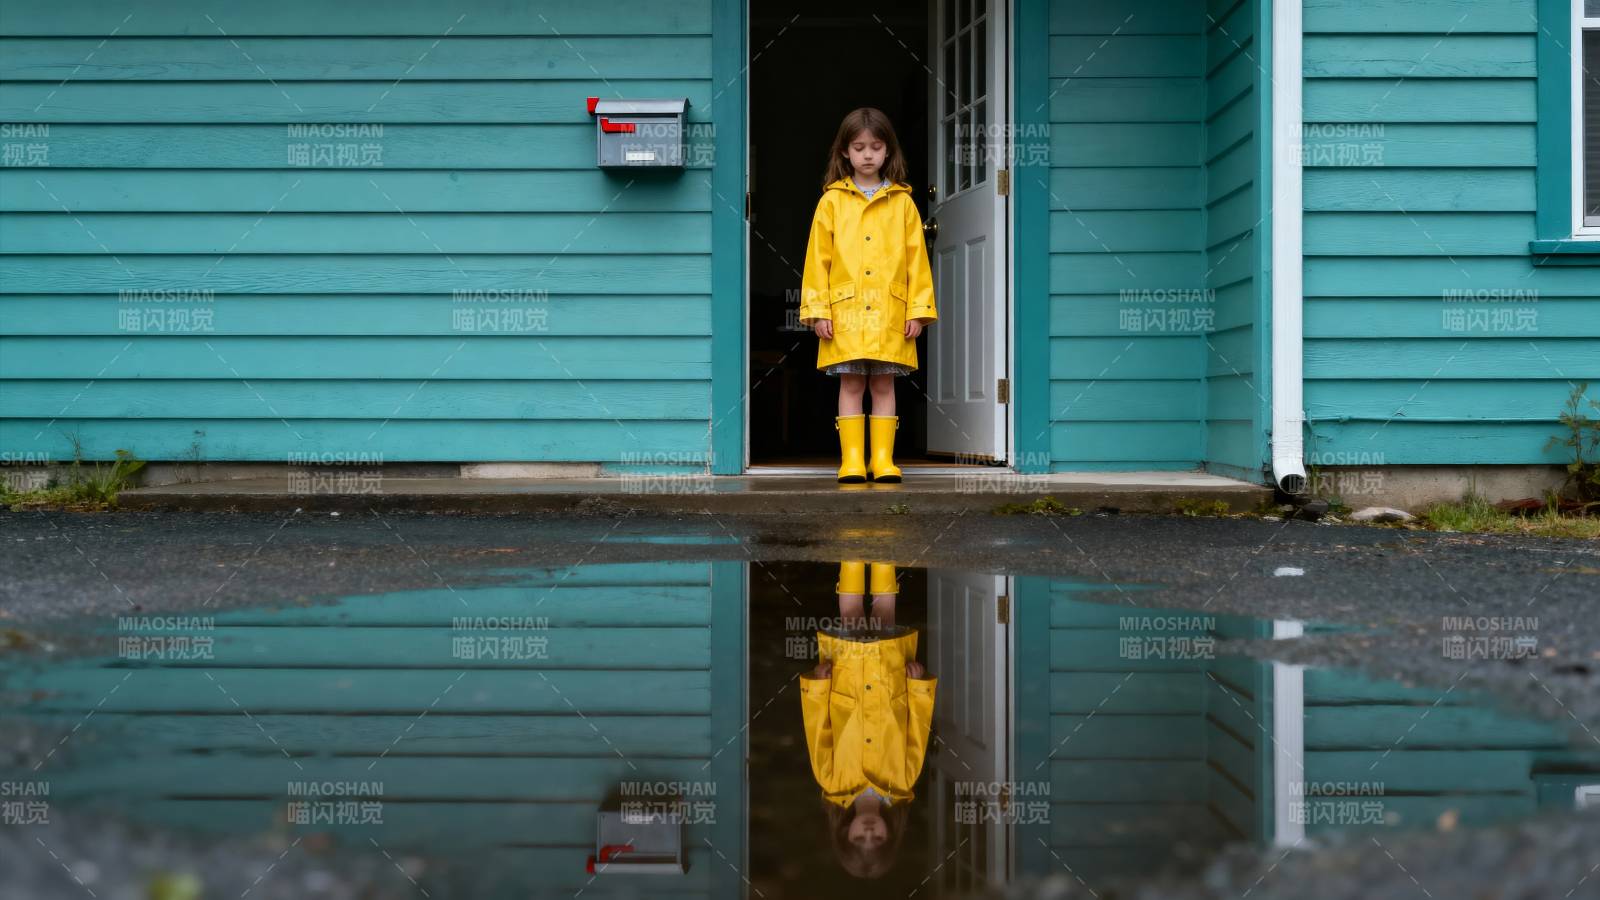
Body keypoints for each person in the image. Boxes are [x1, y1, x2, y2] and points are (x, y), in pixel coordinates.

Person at [799, 108, 938, 484]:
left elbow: (917, 261)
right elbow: (817, 260)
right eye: (859, 147)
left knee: (883, 383)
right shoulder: (831, 202)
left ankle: (883, 460)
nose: (867, 155)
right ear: (844, 151)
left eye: (876, 147)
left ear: (888, 151)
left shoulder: (903, 203)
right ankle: (853, 461)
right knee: (851, 383)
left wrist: (919, 310)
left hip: (891, 312)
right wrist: (817, 310)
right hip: (844, 314)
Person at [800, 561, 937, 878]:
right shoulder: (903, 782)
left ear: (845, 832)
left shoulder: (831, 782)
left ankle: (851, 555)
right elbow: (917, 729)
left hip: (844, 685)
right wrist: (917, 688)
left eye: (860, 838)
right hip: (891, 683)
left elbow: (817, 729)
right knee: (885, 616)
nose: (869, 832)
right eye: (877, 839)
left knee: (850, 616)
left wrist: (819, 686)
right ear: (890, 835)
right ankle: (884, 555)